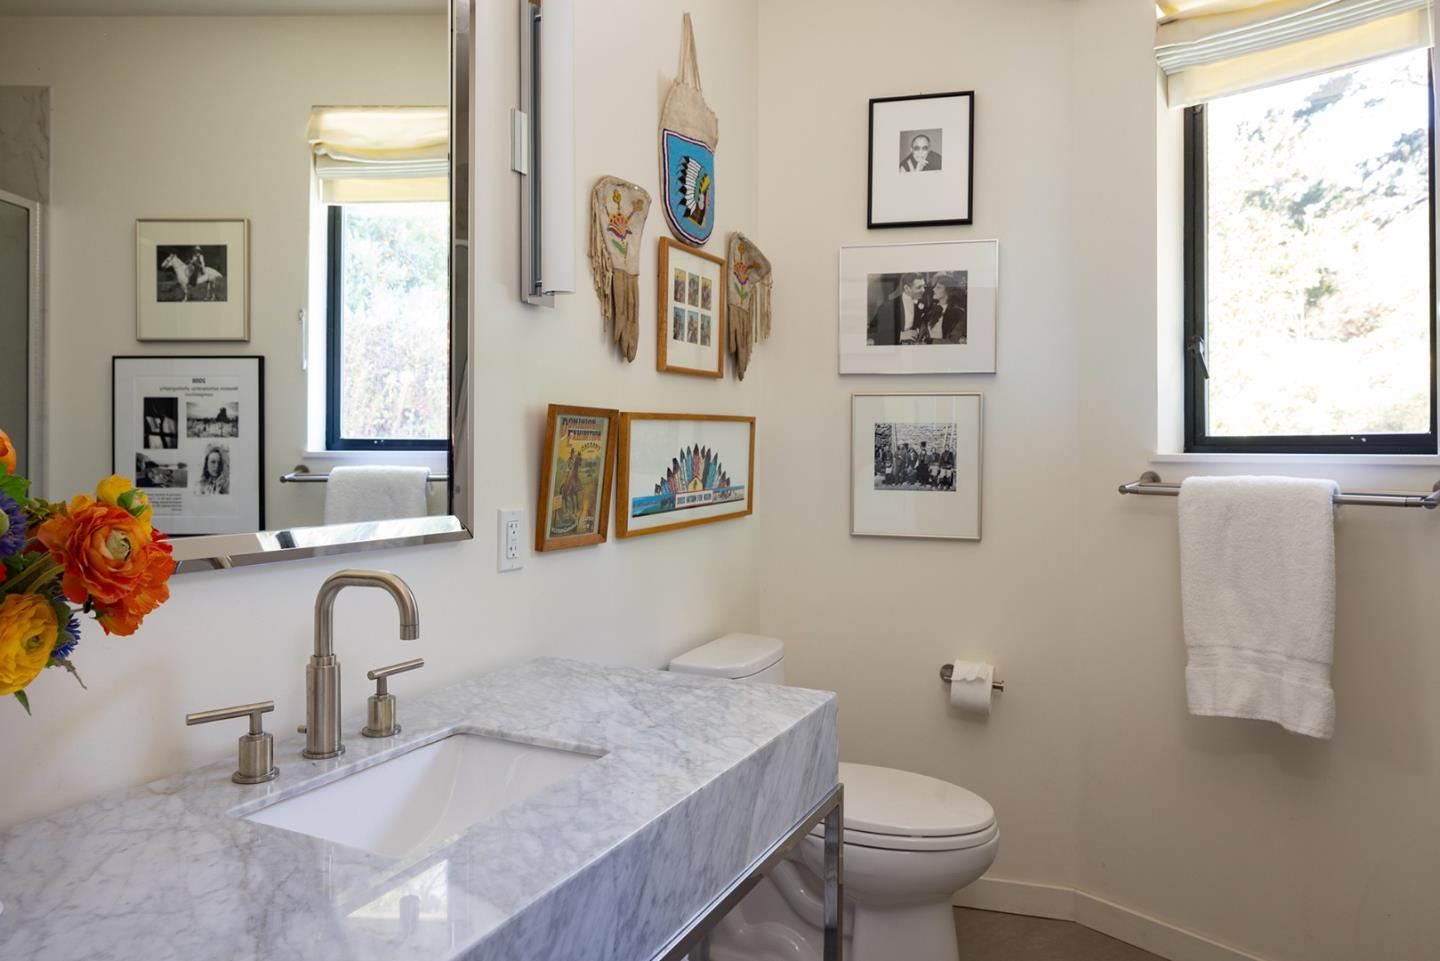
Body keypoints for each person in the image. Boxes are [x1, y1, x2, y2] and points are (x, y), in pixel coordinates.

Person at [867, 273, 927, 346]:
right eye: (919, 287)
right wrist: (900, 336)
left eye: (924, 286)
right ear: (906, 288)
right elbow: (876, 335)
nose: (923, 290)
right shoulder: (888, 307)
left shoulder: (921, 303)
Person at [926, 273, 968, 343]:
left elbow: (954, 341)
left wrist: (929, 342)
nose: (933, 289)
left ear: (948, 292)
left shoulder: (959, 314)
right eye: (935, 286)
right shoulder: (930, 311)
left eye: (938, 287)